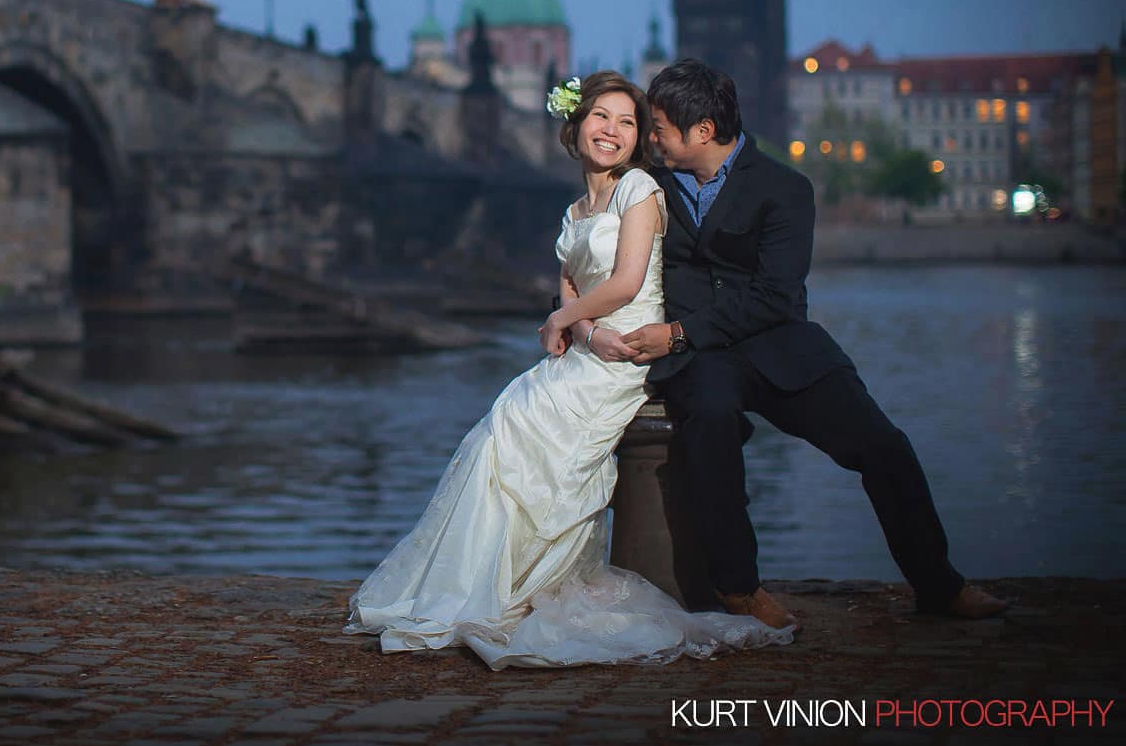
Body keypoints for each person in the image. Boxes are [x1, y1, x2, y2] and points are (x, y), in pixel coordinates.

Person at [345, 71, 794, 668]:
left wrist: (567, 325)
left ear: (638, 142)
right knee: (502, 424)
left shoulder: (639, 188)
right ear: (576, 125)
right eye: (601, 117)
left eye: (628, 123)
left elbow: (627, 281)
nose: (612, 131)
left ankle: (517, 581)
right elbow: (568, 287)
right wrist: (580, 329)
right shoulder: (574, 210)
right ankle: (493, 581)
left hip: (631, 351)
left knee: (528, 421)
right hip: (594, 345)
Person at [620, 59, 1008, 630]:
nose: (650, 138)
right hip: (700, 358)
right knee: (711, 422)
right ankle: (739, 588)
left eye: (658, 128)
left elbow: (775, 298)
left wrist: (677, 332)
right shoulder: (647, 186)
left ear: (702, 130)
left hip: (774, 344)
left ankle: (938, 584)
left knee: (883, 445)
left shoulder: (785, 189)